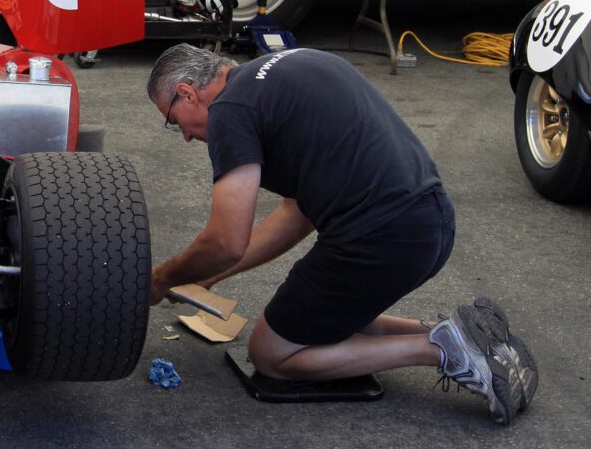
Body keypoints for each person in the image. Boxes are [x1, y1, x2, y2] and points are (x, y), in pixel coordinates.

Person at [146, 43, 538, 424]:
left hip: (378, 240)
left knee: (270, 353)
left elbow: (226, 240)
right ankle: (470, 337)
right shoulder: (289, 65)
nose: (184, 136)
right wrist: (210, 275)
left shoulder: (230, 110)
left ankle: (441, 350)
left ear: (188, 93)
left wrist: (164, 278)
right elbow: (297, 213)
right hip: (429, 225)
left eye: (173, 120)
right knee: (331, 320)